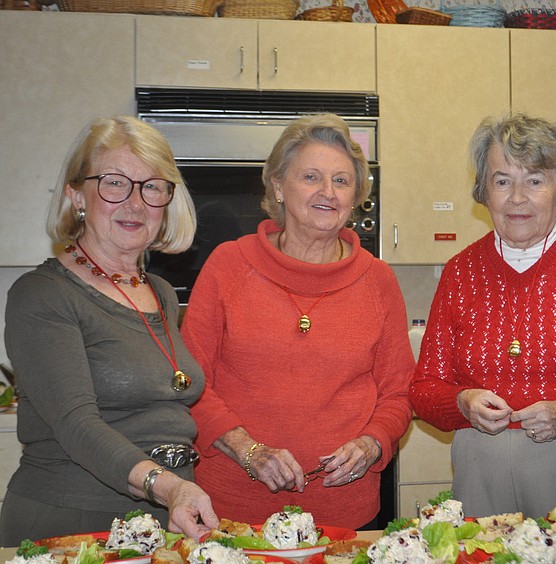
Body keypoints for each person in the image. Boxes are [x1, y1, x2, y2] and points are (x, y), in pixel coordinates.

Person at [181, 114, 413, 530]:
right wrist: (248, 450)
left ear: (355, 196)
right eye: (311, 177)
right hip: (233, 511)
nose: (328, 192)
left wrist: (372, 443)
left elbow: (399, 393)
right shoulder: (228, 266)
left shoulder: (378, 280)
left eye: (341, 181)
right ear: (277, 187)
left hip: (344, 513)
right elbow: (190, 384)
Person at [0, 116, 218, 545]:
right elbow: (77, 424)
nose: (135, 203)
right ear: (76, 195)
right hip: (74, 524)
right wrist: (169, 486)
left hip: (161, 521)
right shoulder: (42, 294)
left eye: (152, 186)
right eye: (114, 183)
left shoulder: (159, 292)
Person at [409, 113, 556, 518]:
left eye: (535, 181)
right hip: (477, 468)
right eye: (502, 181)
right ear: (484, 193)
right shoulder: (461, 271)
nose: (517, 198)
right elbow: (423, 389)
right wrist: (462, 402)